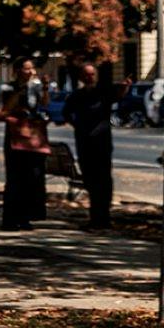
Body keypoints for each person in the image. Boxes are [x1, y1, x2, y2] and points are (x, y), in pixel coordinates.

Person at [59, 62, 115, 232]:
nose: (90, 77)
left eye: (92, 74)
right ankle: (95, 218)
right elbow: (66, 113)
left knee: (104, 182)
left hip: (102, 143)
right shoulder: (77, 96)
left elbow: (119, 95)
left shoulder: (103, 93)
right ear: (81, 77)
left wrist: (124, 88)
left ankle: (103, 218)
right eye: (86, 74)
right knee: (91, 181)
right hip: (84, 143)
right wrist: (78, 125)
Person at [0, 58, 50, 230]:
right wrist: (19, 91)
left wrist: (45, 87)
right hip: (15, 136)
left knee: (31, 177)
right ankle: (11, 219)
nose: (30, 72)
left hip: (32, 135)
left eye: (32, 69)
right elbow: (3, 109)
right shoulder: (8, 88)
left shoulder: (35, 88)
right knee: (15, 178)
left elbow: (44, 103)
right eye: (27, 69)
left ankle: (25, 217)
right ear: (18, 70)